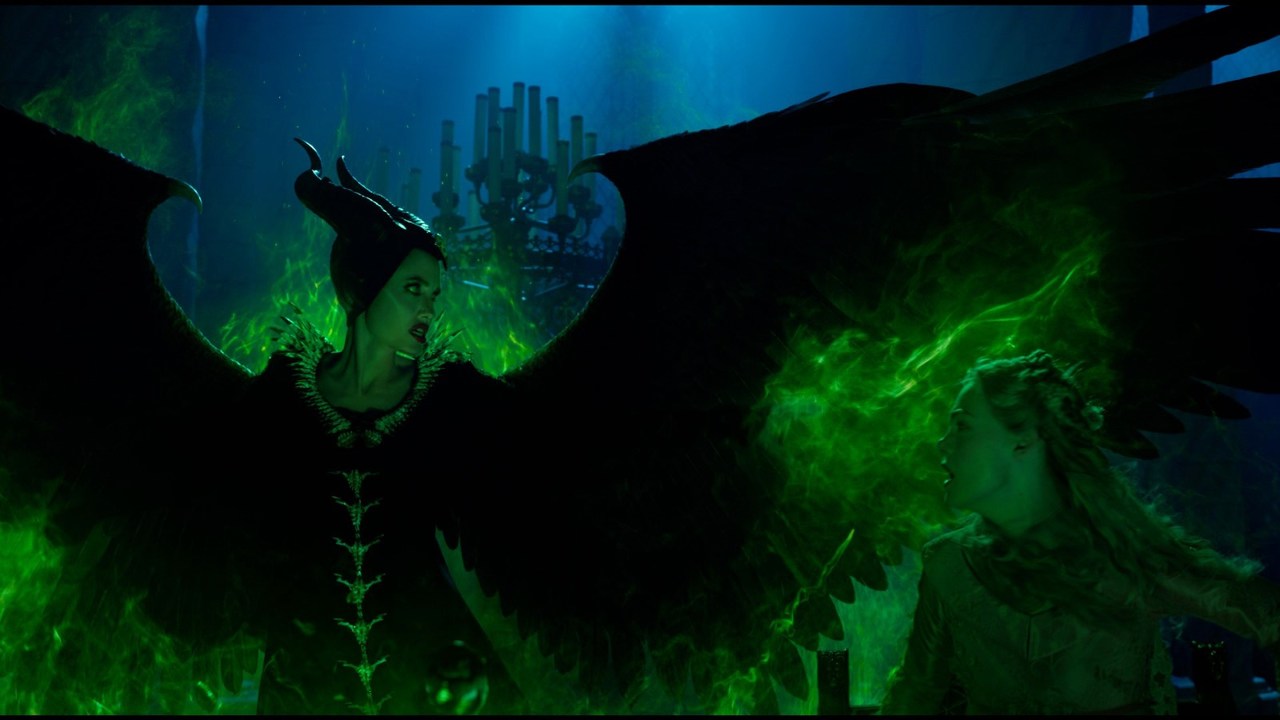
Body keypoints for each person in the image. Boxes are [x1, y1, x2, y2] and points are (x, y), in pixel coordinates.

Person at [880, 350, 1280, 715]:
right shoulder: (947, 562)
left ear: (1024, 439)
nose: (943, 443)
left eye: (962, 426)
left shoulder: (1122, 555)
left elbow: (1266, 613)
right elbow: (916, 692)